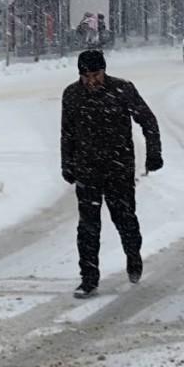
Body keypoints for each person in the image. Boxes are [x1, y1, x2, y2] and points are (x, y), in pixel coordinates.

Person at [60, 49, 162, 299]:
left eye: (96, 75)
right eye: (86, 76)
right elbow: (67, 132)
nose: (91, 81)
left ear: (104, 71)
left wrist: (153, 154)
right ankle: (89, 279)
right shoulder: (72, 95)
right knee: (88, 227)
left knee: (125, 219)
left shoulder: (123, 90)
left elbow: (148, 121)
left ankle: (133, 257)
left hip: (119, 167)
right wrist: (67, 164)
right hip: (87, 170)